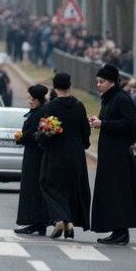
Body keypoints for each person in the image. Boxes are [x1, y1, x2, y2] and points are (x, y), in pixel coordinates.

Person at [88, 64, 136, 245]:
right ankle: (116, 230)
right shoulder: (109, 99)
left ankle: (121, 232)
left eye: (102, 81)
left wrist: (104, 124)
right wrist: (98, 121)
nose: (98, 84)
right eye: (97, 81)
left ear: (112, 82)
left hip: (120, 155)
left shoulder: (121, 98)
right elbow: (111, 120)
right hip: (110, 154)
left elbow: (131, 125)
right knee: (111, 193)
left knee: (118, 192)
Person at [39, 73, 92, 239]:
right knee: (72, 188)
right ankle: (69, 222)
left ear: (54, 87)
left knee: (49, 185)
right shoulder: (79, 106)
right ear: (70, 86)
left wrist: (41, 140)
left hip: (55, 153)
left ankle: (61, 219)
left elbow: (45, 131)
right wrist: (84, 144)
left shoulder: (50, 107)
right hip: (76, 154)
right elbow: (85, 131)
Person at [14, 84, 50, 236]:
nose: (29, 101)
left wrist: (21, 138)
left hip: (35, 157)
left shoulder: (39, 114)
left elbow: (32, 134)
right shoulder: (40, 112)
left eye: (32, 98)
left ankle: (35, 222)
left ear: (37, 100)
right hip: (35, 155)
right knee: (35, 190)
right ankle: (39, 224)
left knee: (32, 189)